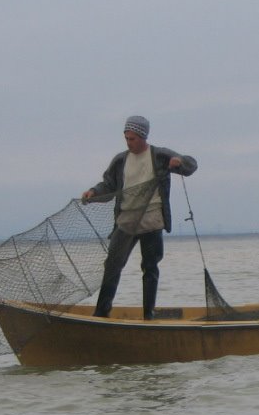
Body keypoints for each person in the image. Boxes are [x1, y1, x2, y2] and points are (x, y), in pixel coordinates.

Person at [81, 115, 197, 319]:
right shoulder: (120, 160)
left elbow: (191, 165)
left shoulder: (159, 155)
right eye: (126, 138)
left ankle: (148, 315)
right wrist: (93, 192)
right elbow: (108, 184)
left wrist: (179, 163)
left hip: (152, 220)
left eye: (132, 139)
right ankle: (101, 312)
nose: (129, 143)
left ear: (143, 137)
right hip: (126, 220)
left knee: (150, 267)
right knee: (112, 265)